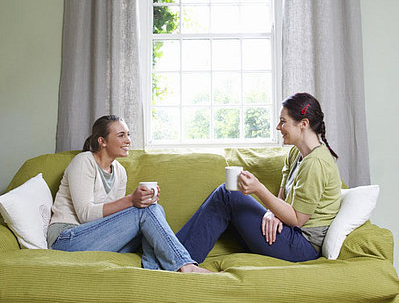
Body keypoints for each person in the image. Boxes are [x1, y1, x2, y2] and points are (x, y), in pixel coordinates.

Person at [176, 92, 342, 263]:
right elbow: (283, 195)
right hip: (288, 232)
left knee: (228, 195)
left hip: (303, 246)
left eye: (283, 121)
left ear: (303, 124)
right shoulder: (296, 153)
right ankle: (175, 255)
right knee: (226, 194)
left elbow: (297, 219)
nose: (278, 127)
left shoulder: (316, 163)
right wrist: (272, 213)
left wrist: (259, 189)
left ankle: (177, 259)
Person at [48, 115, 212, 273]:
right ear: (102, 141)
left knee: (154, 210)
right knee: (147, 212)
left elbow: (115, 217)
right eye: (121, 135)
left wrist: (143, 201)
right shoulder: (84, 161)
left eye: (128, 135)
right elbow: (85, 214)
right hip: (67, 239)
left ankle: (153, 271)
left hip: (97, 238)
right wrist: (132, 201)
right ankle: (186, 265)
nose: (128, 140)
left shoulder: (119, 171)